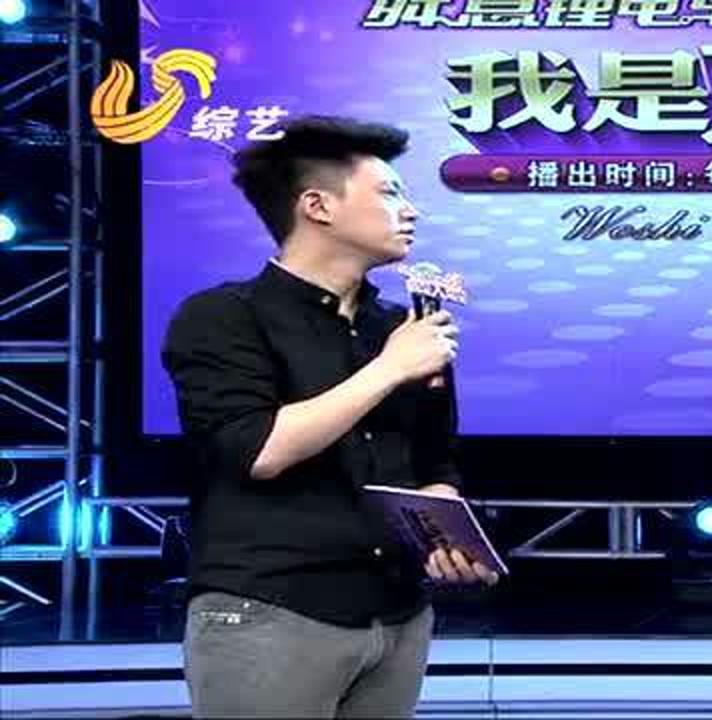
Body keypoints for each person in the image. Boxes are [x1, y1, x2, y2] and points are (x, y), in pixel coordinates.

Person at [161, 115, 499, 718]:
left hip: (397, 614)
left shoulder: (401, 326)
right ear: (317, 206)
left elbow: (434, 461)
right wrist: (389, 368)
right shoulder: (223, 316)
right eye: (390, 193)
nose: (411, 210)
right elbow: (258, 451)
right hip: (270, 610)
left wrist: (444, 526)